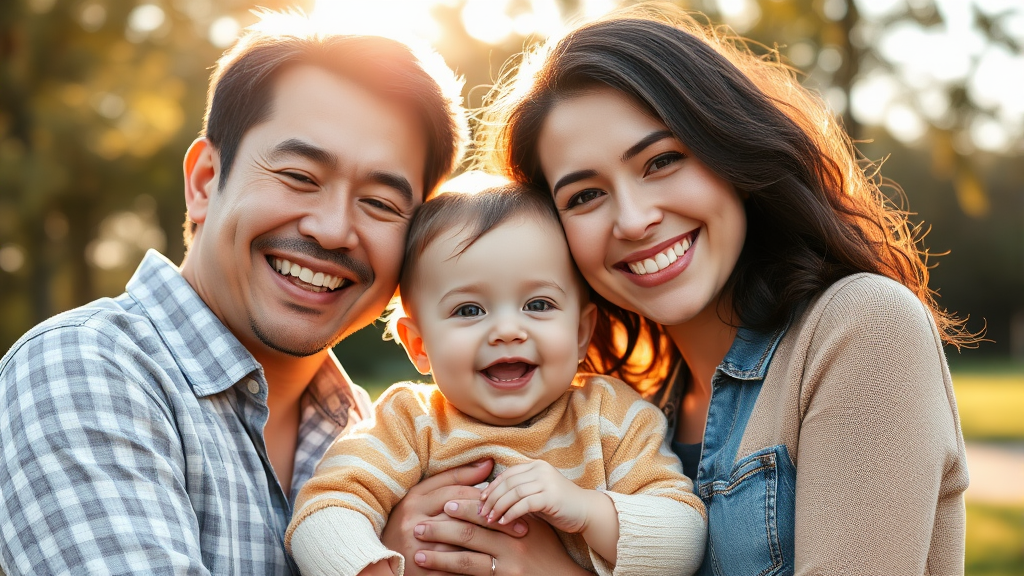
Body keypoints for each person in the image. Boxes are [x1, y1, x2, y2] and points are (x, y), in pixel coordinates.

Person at [395, 5, 971, 576]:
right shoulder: (631, 419)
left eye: (662, 160)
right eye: (584, 196)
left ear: (731, 149)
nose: (634, 218)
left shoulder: (861, 328)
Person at [0, 11, 466, 575]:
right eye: (300, 176)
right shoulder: (82, 371)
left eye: (382, 204)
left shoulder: (382, 438)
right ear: (203, 182)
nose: (334, 229)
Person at [284, 183, 707, 576]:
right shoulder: (410, 424)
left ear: (580, 333)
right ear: (420, 346)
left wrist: (586, 508)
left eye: (538, 304)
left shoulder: (612, 419)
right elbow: (324, 510)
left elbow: (685, 540)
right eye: (469, 310)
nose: (507, 329)